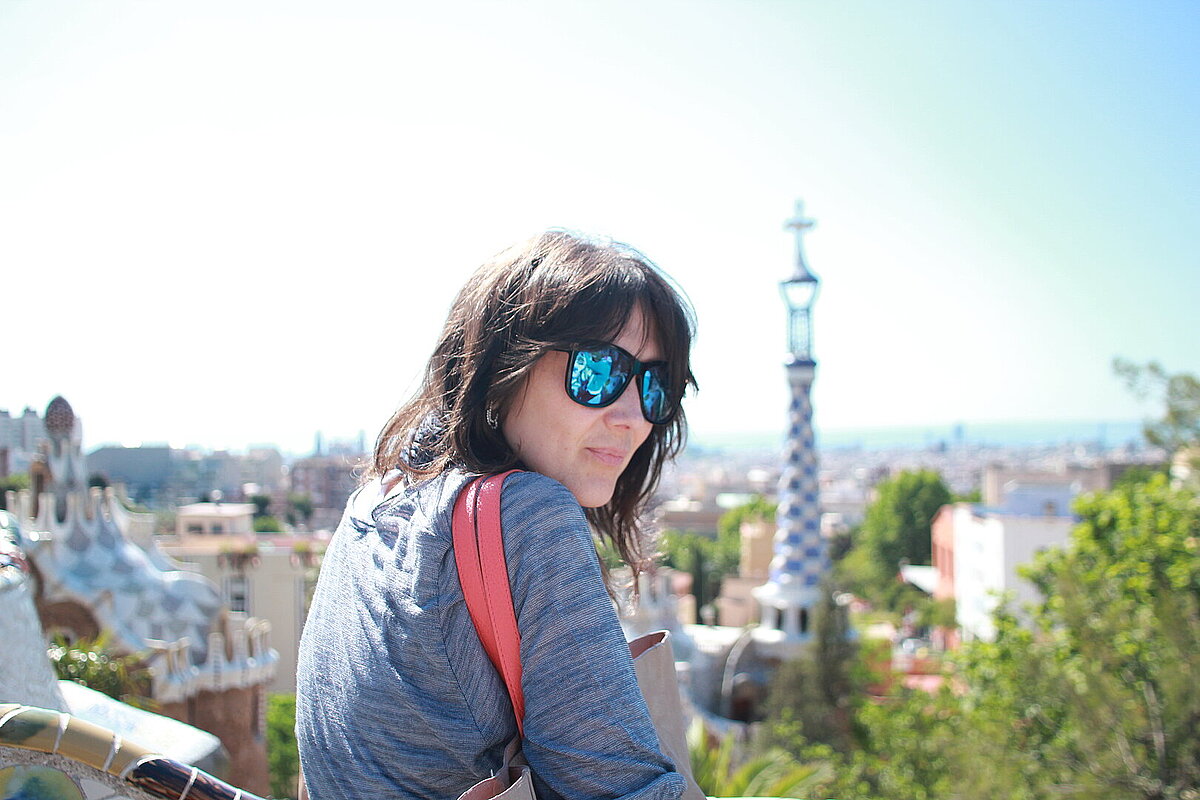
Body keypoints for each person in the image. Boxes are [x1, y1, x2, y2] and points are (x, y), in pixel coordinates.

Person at [295, 230, 698, 800]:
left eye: (656, 385)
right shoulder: (528, 517)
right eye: (599, 370)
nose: (633, 416)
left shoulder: (373, 506)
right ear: (506, 365)